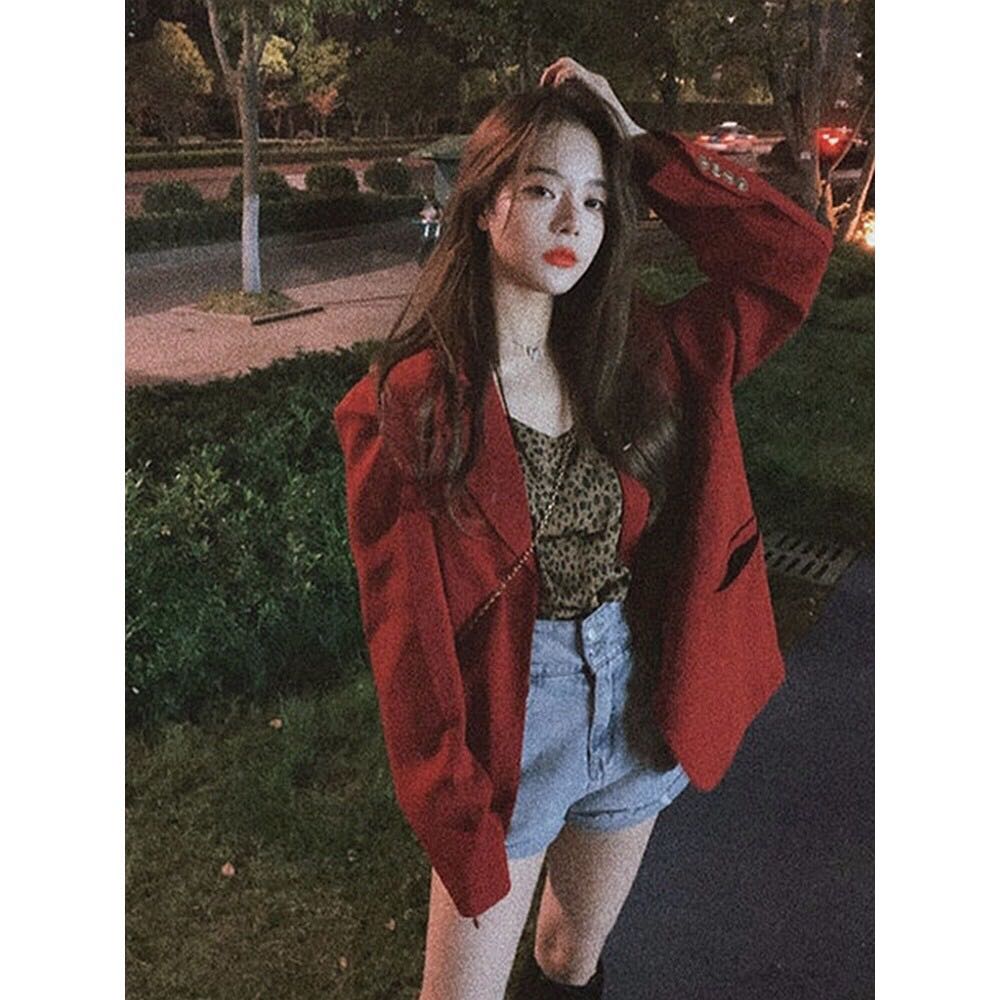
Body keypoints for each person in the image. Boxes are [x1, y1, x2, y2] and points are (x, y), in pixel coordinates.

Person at [333, 56, 832, 1000]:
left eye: (597, 200)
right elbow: (409, 649)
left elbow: (790, 260)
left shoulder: (643, 354)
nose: (573, 222)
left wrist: (643, 150)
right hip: (513, 718)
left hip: (636, 698)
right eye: (542, 190)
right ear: (485, 206)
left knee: (571, 959)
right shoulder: (411, 405)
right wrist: (456, 804)